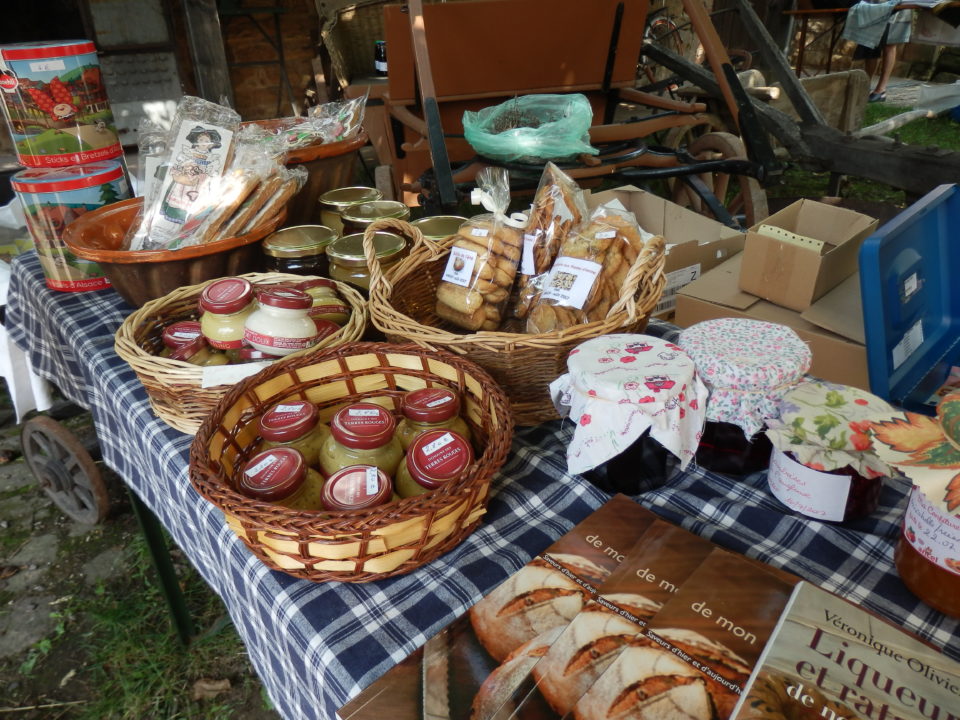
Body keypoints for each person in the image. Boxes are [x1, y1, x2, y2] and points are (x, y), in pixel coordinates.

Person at [843, 1, 913, 102]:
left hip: (898, 7)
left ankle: (881, 90)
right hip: (875, 6)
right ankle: (865, 86)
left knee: (889, 44)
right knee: (869, 44)